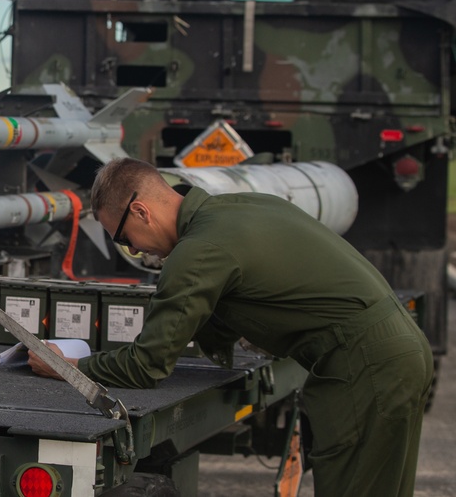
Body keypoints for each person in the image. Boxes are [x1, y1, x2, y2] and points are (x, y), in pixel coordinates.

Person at [28, 157, 433, 497]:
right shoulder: (245, 206)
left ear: (141, 212)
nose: (134, 251)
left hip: (364, 369)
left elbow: (146, 366)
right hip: (398, 350)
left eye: (125, 238)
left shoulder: (200, 250)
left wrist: (68, 367)